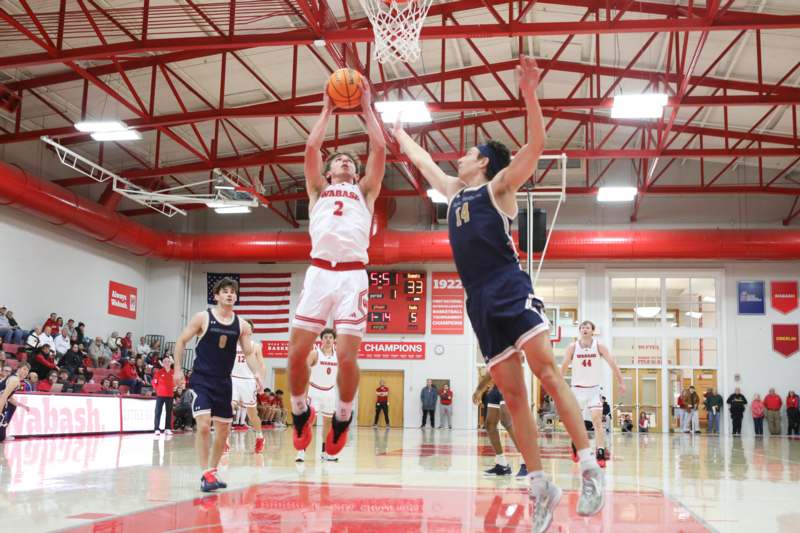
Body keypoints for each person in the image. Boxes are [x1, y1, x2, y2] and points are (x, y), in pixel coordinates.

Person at [393, 55, 603, 529]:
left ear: (483, 162)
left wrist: (529, 93)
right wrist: (396, 129)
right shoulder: (453, 192)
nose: (459, 156)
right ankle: (540, 485)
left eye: (468, 151)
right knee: (512, 396)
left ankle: (589, 466)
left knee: (547, 373)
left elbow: (535, 145)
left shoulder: (499, 189)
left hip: (509, 287)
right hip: (478, 301)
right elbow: (422, 160)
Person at [287, 74, 386, 460]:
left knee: (347, 355)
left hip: (351, 275)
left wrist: (365, 109)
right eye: (339, 160)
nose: (345, 161)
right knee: (296, 354)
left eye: (350, 160)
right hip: (318, 273)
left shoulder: (365, 190)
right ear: (329, 173)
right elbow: (311, 148)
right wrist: (326, 111)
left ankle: (342, 418)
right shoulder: (317, 190)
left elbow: (378, 148)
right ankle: (300, 411)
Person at [173, 277, 264, 492]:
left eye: (233, 291)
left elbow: (249, 353)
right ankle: (205, 473)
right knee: (204, 426)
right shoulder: (203, 317)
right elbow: (181, 341)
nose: (230, 294)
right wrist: (177, 369)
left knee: (223, 431)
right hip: (202, 380)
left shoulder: (240, 324)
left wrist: (258, 375)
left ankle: (212, 472)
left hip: (224, 381)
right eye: (225, 291)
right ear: (216, 296)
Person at [560, 320, 625, 467]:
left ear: (592, 330)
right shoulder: (572, 347)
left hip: (594, 389)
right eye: (582, 327)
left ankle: (600, 452)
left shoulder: (599, 346)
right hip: (576, 390)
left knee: (597, 421)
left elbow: (612, 364)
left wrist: (621, 381)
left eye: (587, 327)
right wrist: (558, 383)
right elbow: (564, 366)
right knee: (576, 422)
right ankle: (575, 446)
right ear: (580, 330)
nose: (584, 329)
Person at [473, 372, 527, 479]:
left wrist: (479, 389)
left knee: (506, 420)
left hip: (510, 384)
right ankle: (502, 465)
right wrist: (479, 390)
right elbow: (492, 370)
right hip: (496, 387)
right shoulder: (488, 356)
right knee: (489, 424)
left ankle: (527, 463)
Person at [300, 328, 340, 463]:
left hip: (330, 392)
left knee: (328, 423)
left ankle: (325, 452)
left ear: (334, 340)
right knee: (309, 422)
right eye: (325, 337)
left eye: (330, 337)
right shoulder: (314, 354)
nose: (328, 339)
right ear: (321, 340)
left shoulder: (339, 355)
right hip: (314, 391)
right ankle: (301, 451)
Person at [230, 319, 265, 454]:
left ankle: (260, 437)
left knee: (252, 415)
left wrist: (259, 380)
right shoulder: (232, 344)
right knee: (228, 408)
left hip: (248, 380)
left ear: (251, 331)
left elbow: (261, 365)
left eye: (247, 328)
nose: (245, 329)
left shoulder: (255, 346)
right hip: (233, 379)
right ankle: (225, 442)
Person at [0, 362, 31, 442]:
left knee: (13, 406)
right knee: (1, 437)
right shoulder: (14, 380)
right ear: (18, 369)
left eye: (27, 371)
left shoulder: (15, 379)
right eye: (24, 369)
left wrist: (22, 406)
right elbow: (3, 396)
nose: (25, 372)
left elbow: (9, 398)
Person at [153, 355, 175, 435]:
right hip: (160, 395)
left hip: (170, 395)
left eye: (168, 361)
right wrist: (157, 390)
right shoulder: (159, 372)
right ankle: (156, 428)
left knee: (169, 412)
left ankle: (168, 428)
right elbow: (154, 382)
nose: (166, 363)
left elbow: (177, 382)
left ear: (170, 363)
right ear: (162, 363)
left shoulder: (173, 372)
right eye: (165, 361)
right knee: (158, 411)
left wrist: (176, 387)